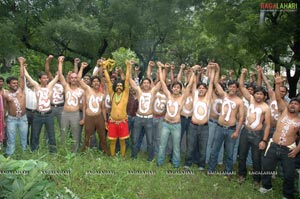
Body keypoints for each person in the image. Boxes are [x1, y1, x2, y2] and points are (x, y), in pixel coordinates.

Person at [259, 73, 300, 199]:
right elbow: (277, 98)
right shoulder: (284, 111)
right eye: (291, 103)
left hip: (288, 149)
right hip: (273, 145)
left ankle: (287, 194)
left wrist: (297, 150)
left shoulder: (299, 121)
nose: (292, 105)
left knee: (288, 174)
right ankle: (266, 186)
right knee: (266, 167)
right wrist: (277, 84)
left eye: (296, 104)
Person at [156, 62, 195, 168]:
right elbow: (162, 82)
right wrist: (160, 68)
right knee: (162, 145)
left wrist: (193, 73)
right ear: (172, 88)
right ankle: (159, 163)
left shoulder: (182, 98)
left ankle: (176, 164)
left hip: (177, 125)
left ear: (180, 89)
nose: (176, 89)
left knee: (176, 146)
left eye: (178, 87)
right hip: (166, 124)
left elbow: (190, 85)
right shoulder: (168, 95)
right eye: (174, 87)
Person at [208, 63, 244, 176]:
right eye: (230, 86)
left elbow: (242, 117)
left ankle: (228, 172)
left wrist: (237, 131)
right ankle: (211, 169)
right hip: (219, 127)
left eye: (234, 87)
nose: (232, 88)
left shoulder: (239, 101)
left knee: (229, 153)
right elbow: (215, 82)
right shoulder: (224, 95)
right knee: (214, 150)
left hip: (231, 129)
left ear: (237, 89)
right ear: (228, 87)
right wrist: (218, 69)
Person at [238, 68, 271, 187]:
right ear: (254, 94)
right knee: (242, 155)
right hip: (245, 132)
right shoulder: (251, 99)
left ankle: (256, 179)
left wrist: (264, 140)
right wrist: (243, 74)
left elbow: (267, 126)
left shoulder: (266, 108)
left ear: (264, 96)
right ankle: (241, 174)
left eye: (261, 94)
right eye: (257, 93)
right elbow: (241, 86)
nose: (258, 95)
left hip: (257, 135)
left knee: (256, 159)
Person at [24, 57, 59, 153]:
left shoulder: (50, 86)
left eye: (46, 78)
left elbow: (58, 76)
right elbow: (27, 76)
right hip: (38, 114)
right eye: (43, 78)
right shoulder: (36, 86)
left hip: (48, 114)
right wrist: (22, 65)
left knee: (51, 134)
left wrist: (60, 62)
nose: (46, 79)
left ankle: (53, 152)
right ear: (39, 79)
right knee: (35, 133)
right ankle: (34, 151)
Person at [184, 63, 216, 170]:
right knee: (190, 146)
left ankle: (201, 165)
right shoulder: (195, 97)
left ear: (206, 90)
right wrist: (194, 71)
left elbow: (211, 83)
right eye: (200, 88)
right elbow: (193, 83)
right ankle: (187, 163)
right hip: (193, 126)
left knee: (203, 147)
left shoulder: (208, 99)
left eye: (203, 88)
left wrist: (213, 71)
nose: (201, 89)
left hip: (204, 127)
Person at [130, 62, 161, 161]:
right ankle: (133, 156)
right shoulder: (139, 91)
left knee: (150, 140)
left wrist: (160, 67)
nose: (146, 84)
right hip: (138, 118)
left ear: (150, 84)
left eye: (148, 83)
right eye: (144, 83)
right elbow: (130, 80)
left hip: (149, 119)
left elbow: (162, 81)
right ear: (142, 84)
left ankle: (150, 158)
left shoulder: (153, 92)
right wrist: (129, 67)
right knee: (135, 139)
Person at [102, 59, 131, 157]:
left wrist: (128, 66)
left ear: (123, 87)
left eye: (120, 85)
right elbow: (108, 80)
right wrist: (104, 68)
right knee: (112, 141)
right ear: (115, 86)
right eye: (117, 85)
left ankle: (122, 157)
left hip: (123, 121)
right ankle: (113, 156)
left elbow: (127, 80)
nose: (119, 87)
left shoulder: (125, 94)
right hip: (113, 122)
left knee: (123, 141)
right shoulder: (112, 94)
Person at [78, 62, 108, 154]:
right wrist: (82, 68)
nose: (96, 83)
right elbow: (79, 79)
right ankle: (84, 152)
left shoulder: (102, 94)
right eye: (94, 81)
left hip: (99, 117)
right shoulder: (87, 89)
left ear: (100, 84)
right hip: (89, 117)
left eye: (97, 82)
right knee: (87, 136)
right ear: (92, 83)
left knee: (102, 136)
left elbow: (103, 108)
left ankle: (105, 152)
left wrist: (105, 120)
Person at [2, 57, 28, 157]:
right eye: (13, 83)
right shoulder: (5, 93)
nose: (15, 85)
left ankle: (24, 153)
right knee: (11, 138)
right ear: (8, 84)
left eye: (16, 83)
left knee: (23, 138)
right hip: (11, 119)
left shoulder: (21, 90)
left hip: (23, 118)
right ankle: (9, 154)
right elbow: (4, 107)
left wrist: (21, 63)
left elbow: (22, 77)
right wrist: (4, 119)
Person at [58, 56, 84, 153]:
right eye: (72, 77)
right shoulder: (66, 87)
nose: (73, 79)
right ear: (69, 78)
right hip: (65, 113)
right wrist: (60, 62)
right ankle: (64, 150)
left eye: (75, 77)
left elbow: (84, 105)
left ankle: (74, 152)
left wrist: (84, 117)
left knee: (75, 134)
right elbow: (60, 75)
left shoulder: (81, 91)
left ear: (78, 79)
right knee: (63, 132)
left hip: (75, 114)